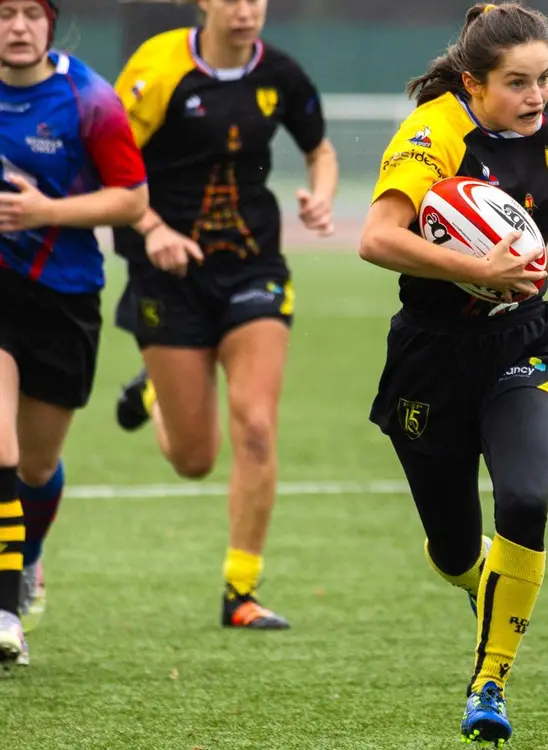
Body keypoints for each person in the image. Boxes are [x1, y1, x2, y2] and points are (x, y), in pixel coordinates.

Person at [358, 3, 548, 744]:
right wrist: (477, 267)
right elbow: (377, 239)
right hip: (432, 356)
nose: (537, 97)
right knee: (452, 549)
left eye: (544, 78)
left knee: (526, 498)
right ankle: (490, 586)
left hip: (524, 340)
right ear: (474, 83)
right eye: (517, 84)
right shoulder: (432, 135)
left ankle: (489, 681)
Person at [107, 0, 339, 630]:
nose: (245, 11)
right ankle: (157, 395)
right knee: (195, 459)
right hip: (167, 275)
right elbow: (109, 167)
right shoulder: (155, 70)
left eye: (256, 0)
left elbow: (320, 150)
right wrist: (152, 228)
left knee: (257, 426)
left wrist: (320, 198)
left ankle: (241, 591)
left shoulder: (282, 75)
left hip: (253, 270)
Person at [0, 0, 148, 665]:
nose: (19, 27)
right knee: (0, 447)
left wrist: (45, 210)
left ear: (50, 22)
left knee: (34, 464)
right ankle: (5, 613)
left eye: (31, 13)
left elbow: (132, 199)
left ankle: (25, 561)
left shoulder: (90, 99)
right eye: (5, 14)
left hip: (64, 298)